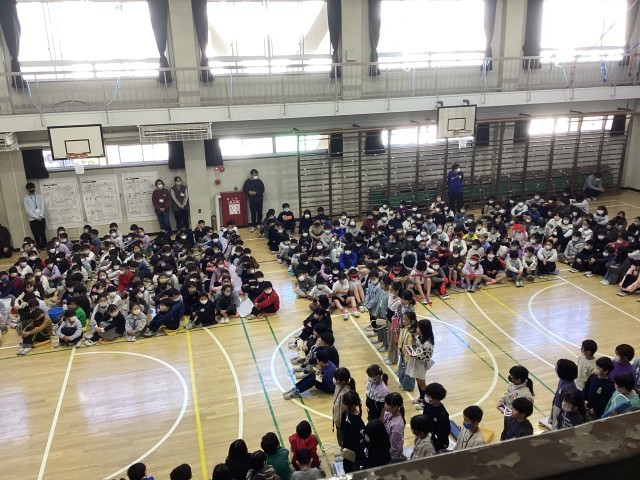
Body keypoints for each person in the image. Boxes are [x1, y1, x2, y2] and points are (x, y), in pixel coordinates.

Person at [340, 390, 366, 472]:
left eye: (345, 404)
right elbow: (342, 427)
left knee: (350, 469)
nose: (343, 405)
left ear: (353, 406)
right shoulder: (345, 413)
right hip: (346, 448)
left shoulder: (357, 422)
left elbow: (359, 441)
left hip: (353, 452)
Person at [421, 382, 450, 452]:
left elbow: (445, 432)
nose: (426, 397)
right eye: (426, 394)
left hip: (438, 442)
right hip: (428, 436)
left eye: (428, 395)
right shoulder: (428, 404)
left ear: (436, 399)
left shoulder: (442, 415)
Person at [332, 367, 356, 447]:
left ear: (343, 382)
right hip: (337, 418)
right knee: (339, 436)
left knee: (343, 437)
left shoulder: (345, 393)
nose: (334, 380)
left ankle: (344, 450)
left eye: (336, 379)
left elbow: (343, 411)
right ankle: (342, 449)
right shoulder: (338, 386)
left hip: (341, 421)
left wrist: (339, 422)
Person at [382, 392, 406, 462]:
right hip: (386, 445)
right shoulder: (388, 412)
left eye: (387, 404)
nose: (384, 405)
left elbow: (394, 446)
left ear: (395, 407)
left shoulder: (397, 425)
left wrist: (391, 458)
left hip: (392, 453)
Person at [23, 182, 47, 249]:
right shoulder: (26, 198)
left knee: (43, 233)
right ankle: (39, 246)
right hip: (32, 219)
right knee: (36, 234)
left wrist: (41, 216)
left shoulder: (39, 196)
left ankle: (44, 245)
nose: (32, 189)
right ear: (27, 189)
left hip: (41, 218)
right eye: (30, 188)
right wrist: (36, 217)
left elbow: (42, 206)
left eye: (33, 188)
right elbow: (27, 210)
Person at [243, 168, 265, 233]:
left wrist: (256, 193)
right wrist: (249, 192)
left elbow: (262, 190)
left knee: (260, 212)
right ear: (251, 175)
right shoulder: (247, 182)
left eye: (256, 175)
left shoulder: (259, 181)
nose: (255, 176)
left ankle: (258, 223)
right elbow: (244, 189)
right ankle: (253, 225)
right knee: (253, 213)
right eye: (254, 175)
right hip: (252, 200)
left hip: (259, 199)